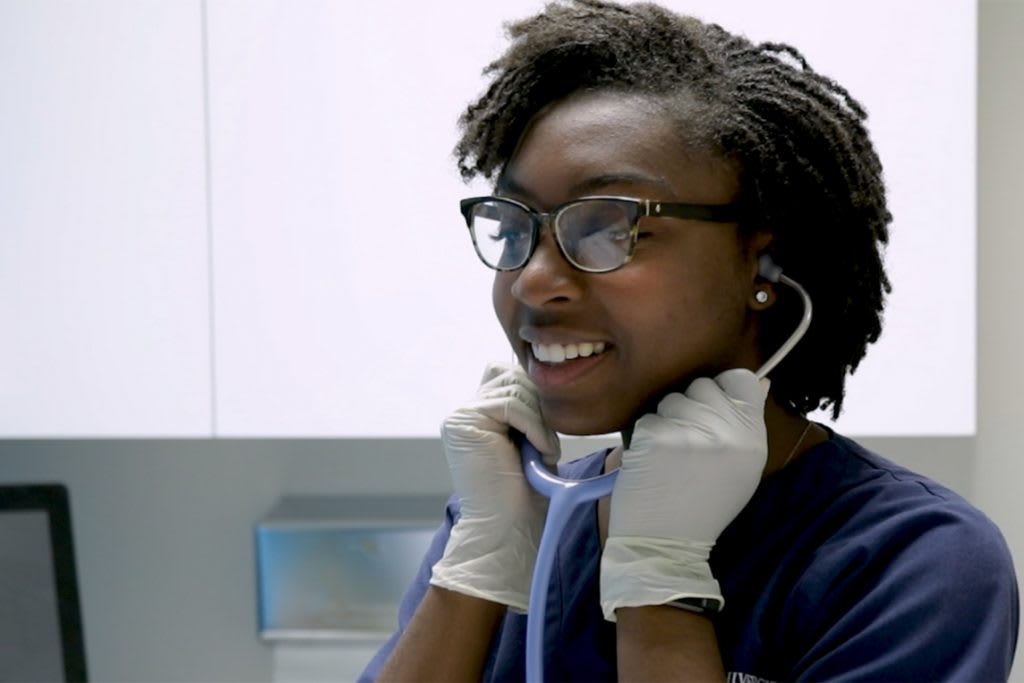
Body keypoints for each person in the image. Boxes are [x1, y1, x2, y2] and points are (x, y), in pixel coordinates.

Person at [361, 1, 1019, 680]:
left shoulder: (912, 560)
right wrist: (476, 564)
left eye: (607, 227)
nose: (531, 282)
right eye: (513, 227)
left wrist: (658, 581)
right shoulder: (515, 510)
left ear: (761, 265)